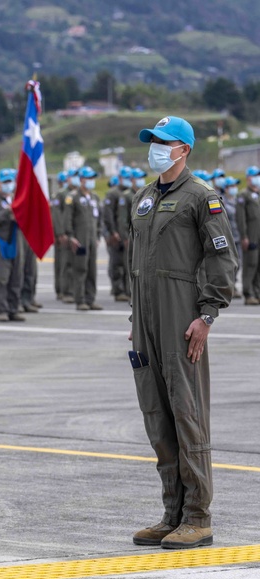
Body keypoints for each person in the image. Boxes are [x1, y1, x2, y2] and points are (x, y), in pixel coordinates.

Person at [129, 116, 238, 550]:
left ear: (184, 149)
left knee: (187, 414)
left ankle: (198, 516)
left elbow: (222, 260)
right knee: (157, 414)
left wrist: (207, 314)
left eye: (163, 142)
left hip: (180, 317)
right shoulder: (143, 198)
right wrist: (135, 319)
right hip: (145, 321)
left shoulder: (202, 198)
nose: (155, 147)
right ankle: (172, 512)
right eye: (152, 140)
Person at [0, 169, 25, 322]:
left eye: (11, 181)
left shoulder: (17, 199)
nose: (8, 185)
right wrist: (8, 212)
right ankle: (2, 310)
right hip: (2, 241)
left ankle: (14, 308)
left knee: (16, 276)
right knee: (2, 277)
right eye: (5, 181)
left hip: (17, 239)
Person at [62, 165, 103, 311]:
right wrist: (71, 236)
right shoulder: (72, 197)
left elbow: (98, 219)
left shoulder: (94, 197)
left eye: (93, 178)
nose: (91, 181)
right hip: (79, 240)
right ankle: (80, 300)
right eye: (88, 178)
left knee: (92, 270)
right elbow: (67, 219)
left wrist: (98, 235)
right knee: (80, 269)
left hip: (92, 240)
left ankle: (90, 299)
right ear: (81, 180)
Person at [103, 166, 134, 302]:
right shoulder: (113, 193)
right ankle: (118, 289)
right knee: (116, 263)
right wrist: (112, 232)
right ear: (120, 178)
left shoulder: (129, 193)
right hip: (115, 234)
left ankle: (126, 289)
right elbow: (109, 215)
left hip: (125, 233)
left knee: (126, 264)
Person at [238, 166, 260, 305]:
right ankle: (249, 293)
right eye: (255, 175)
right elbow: (241, 218)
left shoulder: (258, 195)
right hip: (250, 235)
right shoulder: (243, 195)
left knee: (258, 265)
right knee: (250, 264)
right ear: (248, 178)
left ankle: (257, 292)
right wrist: (244, 236)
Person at [52, 170, 73, 302]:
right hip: (61, 234)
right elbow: (57, 215)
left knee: (69, 263)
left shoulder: (71, 194)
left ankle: (69, 288)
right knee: (62, 263)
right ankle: (61, 289)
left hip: (70, 234)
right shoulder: (59, 195)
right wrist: (59, 233)